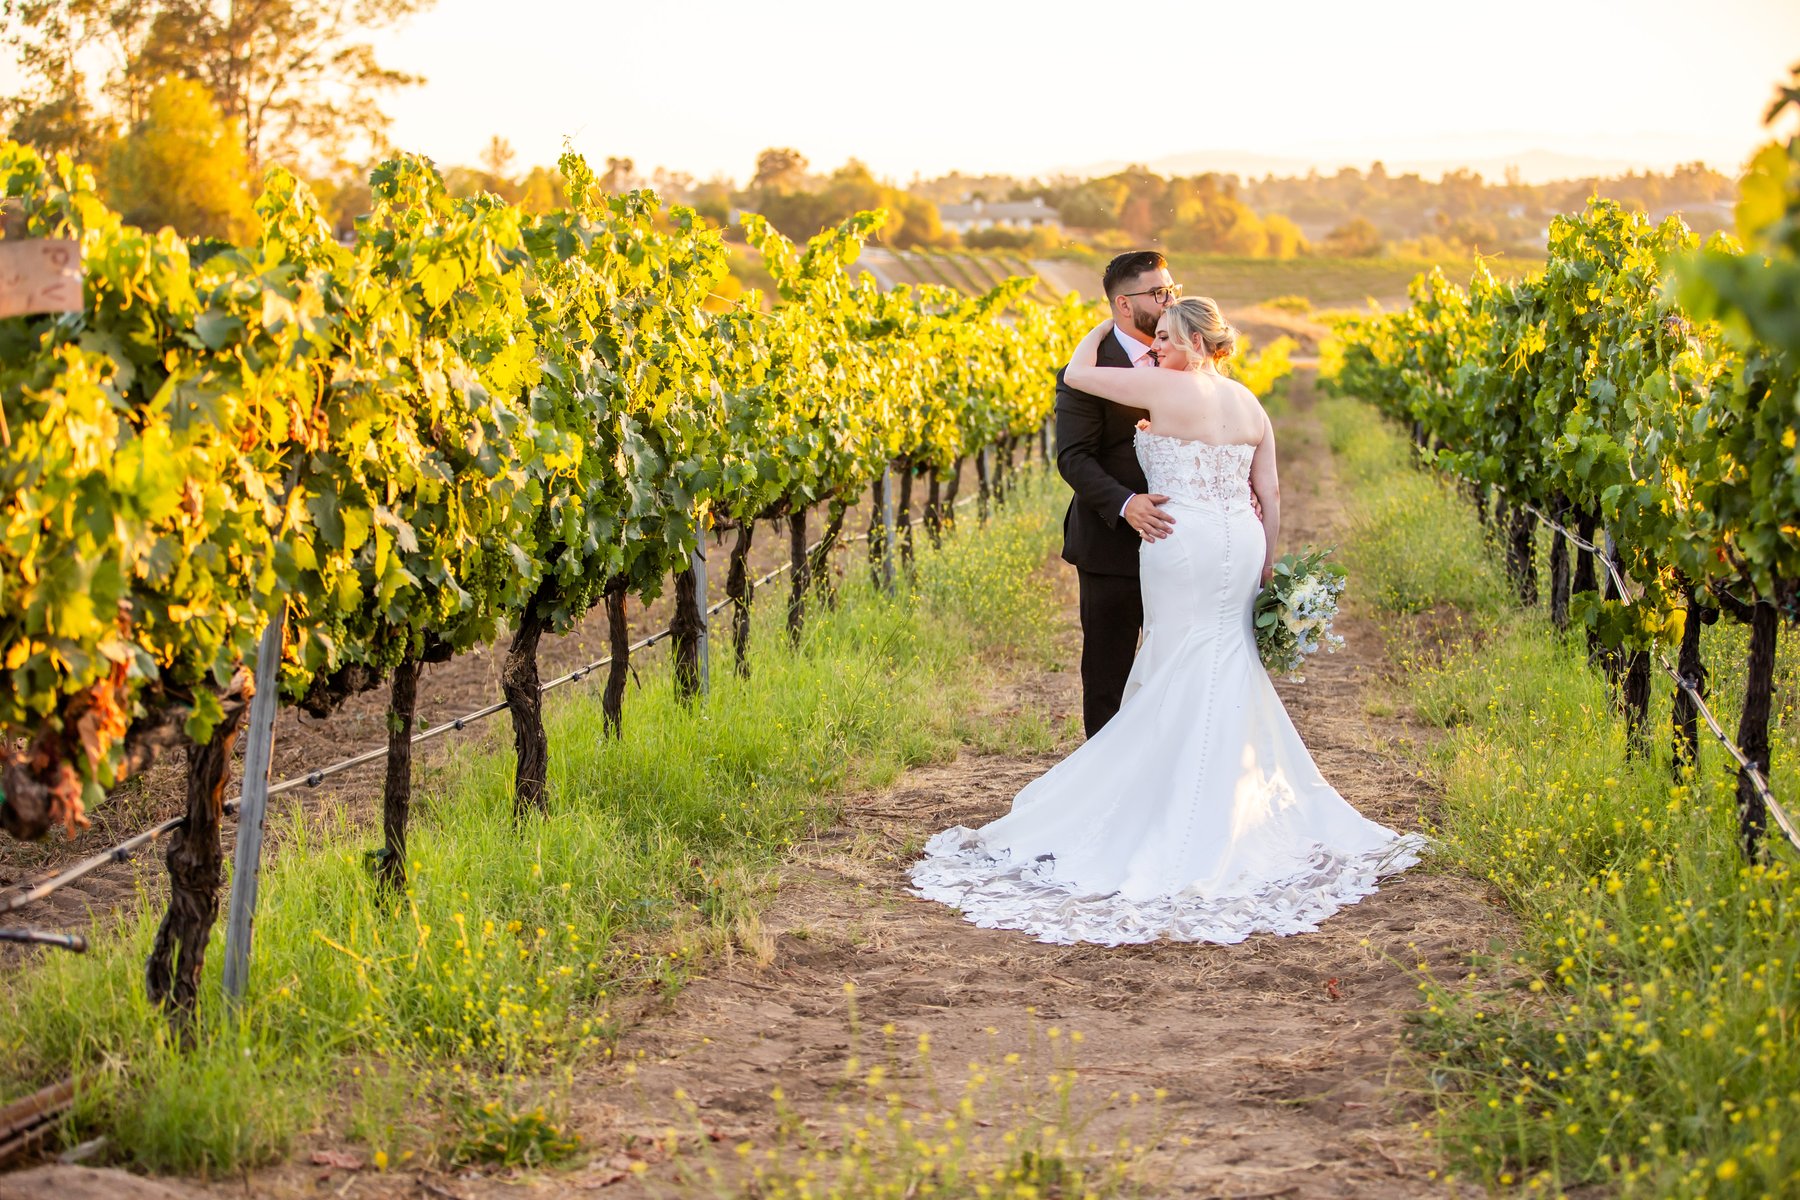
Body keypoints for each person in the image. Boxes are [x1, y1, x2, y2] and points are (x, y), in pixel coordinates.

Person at [911, 297, 1424, 946]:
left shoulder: (1165, 387)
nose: (1155, 349)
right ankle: (1221, 798)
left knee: (1176, 656)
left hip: (1180, 538)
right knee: (1226, 657)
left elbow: (1077, 375)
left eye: (1165, 339)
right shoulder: (1251, 404)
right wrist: (1270, 559)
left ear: (1195, 344)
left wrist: (1108, 323)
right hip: (1241, 540)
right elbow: (1269, 491)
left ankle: (1170, 800)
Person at [1052, 250, 1177, 737]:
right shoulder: (1088, 368)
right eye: (1158, 293)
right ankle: (1106, 773)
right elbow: (1073, 457)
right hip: (1110, 546)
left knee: (1178, 667)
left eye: (1172, 289)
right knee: (1109, 674)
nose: (1169, 301)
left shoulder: (1185, 353)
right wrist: (1127, 504)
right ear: (1124, 304)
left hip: (1182, 542)